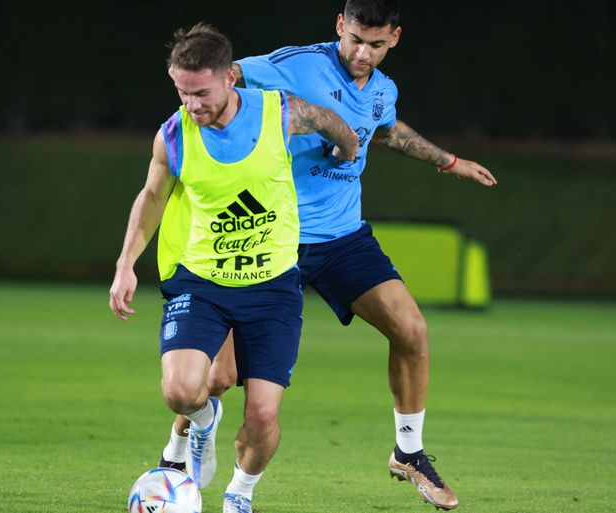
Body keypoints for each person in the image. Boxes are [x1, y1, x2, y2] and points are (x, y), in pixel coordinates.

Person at [162, 1, 498, 510]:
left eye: (376, 44)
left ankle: (408, 452)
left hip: (342, 237)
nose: (362, 53)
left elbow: (386, 132)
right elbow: (219, 78)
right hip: (270, 240)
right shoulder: (294, 65)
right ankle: (177, 447)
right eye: (355, 39)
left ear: (395, 39)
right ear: (340, 25)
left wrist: (449, 161)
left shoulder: (383, 90)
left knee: (412, 330)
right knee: (218, 378)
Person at [109, 23, 358, 513]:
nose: (191, 104)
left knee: (262, 414)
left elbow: (330, 121)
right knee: (181, 392)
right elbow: (152, 196)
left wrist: (346, 147)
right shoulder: (174, 134)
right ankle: (203, 423)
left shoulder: (280, 113)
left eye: (201, 93)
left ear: (229, 78)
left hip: (271, 287)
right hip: (202, 281)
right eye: (182, 92)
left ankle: (239, 494)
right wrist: (126, 264)